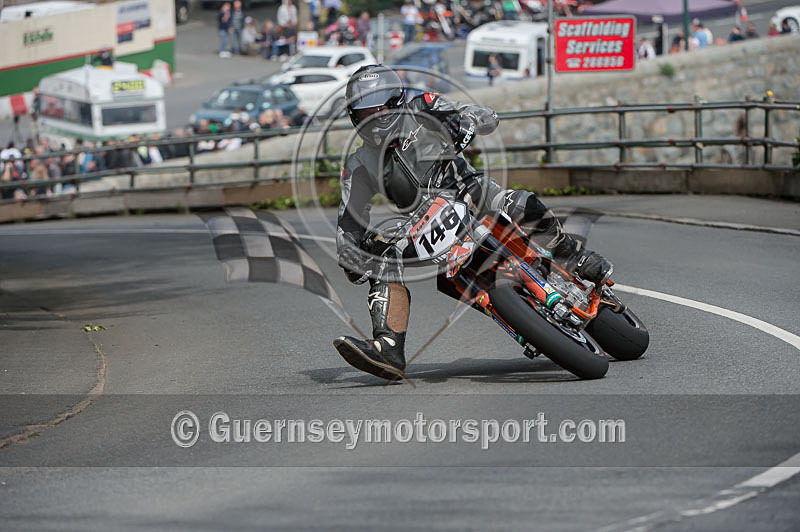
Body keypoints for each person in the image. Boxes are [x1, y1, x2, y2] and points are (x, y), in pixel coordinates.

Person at [332, 65, 613, 380]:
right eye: (366, 109)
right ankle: (388, 347)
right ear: (355, 116)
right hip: (424, 222)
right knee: (381, 262)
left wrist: (466, 121)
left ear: (397, 100)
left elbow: (482, 115)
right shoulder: (358, 165)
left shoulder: (423, 106)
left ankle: (574, 257)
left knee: (520, 203)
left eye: (382, 105)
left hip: (473, 192)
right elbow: (349, 218)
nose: (376, 114)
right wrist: (351, 252)